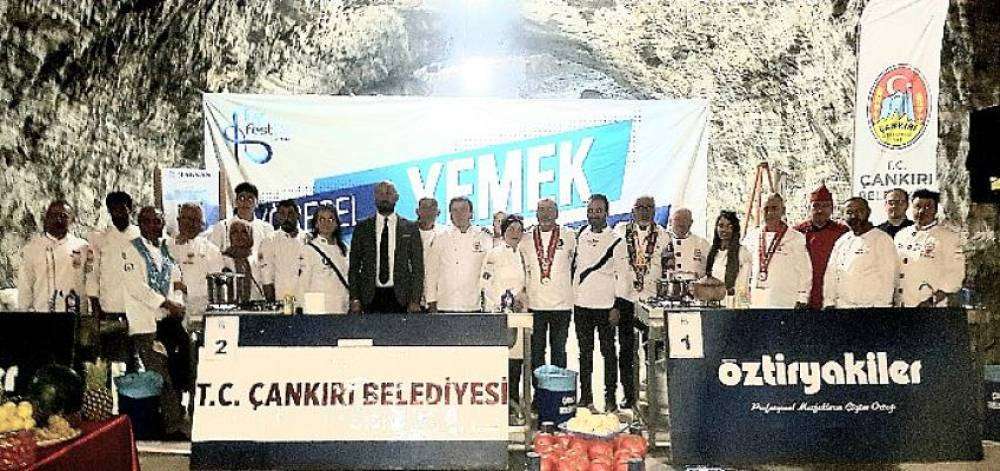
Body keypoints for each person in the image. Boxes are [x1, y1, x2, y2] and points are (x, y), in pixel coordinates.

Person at [120, 207, 188, 440]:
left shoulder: (166, 250)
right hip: (146, 324)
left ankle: (173, 418)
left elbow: (177, 281)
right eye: (148, 222)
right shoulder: (131, 251)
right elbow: (136, 287)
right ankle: (171, 426)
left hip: (168, 323)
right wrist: (166, 303)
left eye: (157, 221)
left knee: (177, 372)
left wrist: (177, 302)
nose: (153, 226)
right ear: (140, 224)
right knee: (160, 375)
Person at [612, 196, 670, 409]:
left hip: (652, 302)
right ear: (633, 210)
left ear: (654, 211)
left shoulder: (664, 236)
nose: (644, 211)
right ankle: (629, 395)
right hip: (625, 299)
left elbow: (668, 269)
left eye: (648, 207)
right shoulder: (619, 232)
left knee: (654, 351)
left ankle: (655, 394)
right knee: (626, 350)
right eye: (640, 207)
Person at [572, 194, 626, 412]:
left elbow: (622, 276)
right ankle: (586, 396)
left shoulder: (617, 241)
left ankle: (610, 398)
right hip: (582, 304)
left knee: (608, 353)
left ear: (606, 213)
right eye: (590, 210)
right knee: (584, 353)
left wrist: (617, 306)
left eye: (598, 210)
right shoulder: (579, 235)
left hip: (606, 306)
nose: (594, 214)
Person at [519, 198, 576, 397]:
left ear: (557, 213)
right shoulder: (526, 238)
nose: (545, 214)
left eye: (550, 210)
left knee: (559, 351)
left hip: (562, 305)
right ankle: (539, 396)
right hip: (535, 305)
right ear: (536, 214)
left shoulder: (570, 236)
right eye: (541, 210)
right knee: (536, 353)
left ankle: (558, 394)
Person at [479, 214, 527, 425]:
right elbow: (485, 285)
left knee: (517, 363)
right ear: (503, 231)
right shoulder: (494, 254)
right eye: (511, 229)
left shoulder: (524, 254)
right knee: (500, 364)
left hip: (520, 317)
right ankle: (499, 408)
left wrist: (521, 299)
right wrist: (505, 301)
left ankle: (514, 403)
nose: (515, 233)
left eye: (519, 229)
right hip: (499, 315)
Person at [348, 181, 423, 313]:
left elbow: (418, 267)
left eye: (388, 193)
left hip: (401, 297)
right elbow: (354, 266)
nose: (384, 197)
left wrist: (415, 299)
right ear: (374, 197)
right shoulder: (362, 228)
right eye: (380, 193)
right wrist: (354, 298)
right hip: (369, 297)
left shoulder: (410, 228)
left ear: (396, 197)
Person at [894, 189, 965, 307]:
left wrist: (932, 300)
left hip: (931, 306)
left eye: (928, 207)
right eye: (918, 206)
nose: (922, 211)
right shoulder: (901, 235)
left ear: (935, 210)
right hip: (902, 304)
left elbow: (955, 274)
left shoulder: (948, 237)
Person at [823, 198, 898, 308]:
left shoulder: (882, 239)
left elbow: (888, 278)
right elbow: (831, 274)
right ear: (843, 215)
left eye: (859, 211)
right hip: (842, 308)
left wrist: (881, 308)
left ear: (868, 212)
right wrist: (829, 302)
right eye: (849, 212)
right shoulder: (842, 241)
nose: (854, 216)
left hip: (870, 309)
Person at [17, 200, 89, 312]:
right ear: (46, 218)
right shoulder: (32, 249)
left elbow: (91, 283)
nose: (58, 219)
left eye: (63, 216)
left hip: (74, 315)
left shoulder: (82, 247)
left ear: (72, 220)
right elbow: (25, 286)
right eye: (54, 215)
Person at [744, 194, 812, 309]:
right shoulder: (752, 237)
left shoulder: (796, 238)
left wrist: (802, 298)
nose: (770, 213)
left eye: (774, 208)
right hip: (757, 302)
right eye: (766, 209)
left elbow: (805, 270)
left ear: (783, 211)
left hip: (786, 301)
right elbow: (743, 268)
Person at [427, 197, 493, 312]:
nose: (459, 214)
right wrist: (431, 300)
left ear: (471, 213)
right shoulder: (440, 237)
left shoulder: (483, 237)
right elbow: (431, 271)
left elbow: (490, 269)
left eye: (463, 209)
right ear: (450, 215)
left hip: (473, 304)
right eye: (455, 210)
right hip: (445, 303)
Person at [86, 191, 142, 320]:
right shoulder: (99, 238)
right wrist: (95, 305)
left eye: (122, 209)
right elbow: (92, 274)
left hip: (139, 308)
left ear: (130, 209)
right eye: (113, 210)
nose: (118, 214)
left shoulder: (142, 236)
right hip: (110, 307)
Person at [794, 184, 849, 310]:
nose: (820, 210)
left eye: (825, 206)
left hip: (833, 294)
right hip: (803, 296)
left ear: (832, 209)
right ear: (809, 208)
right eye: (816, 206)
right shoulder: (797, 233)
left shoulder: (843, 232)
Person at [166, 203, 223, 322]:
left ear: (202, 224)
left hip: (200, 314)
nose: (189, 224)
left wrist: (186, 289)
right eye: (186, 219)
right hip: (168, 315)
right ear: (178, 220)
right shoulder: (165, 247)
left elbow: (216, 286)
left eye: (194, 220)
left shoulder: (211, 250)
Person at [298, 204, 350, 314]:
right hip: (317, 310)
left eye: (330, 219)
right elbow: (302, 284)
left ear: (336, 223)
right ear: (316, 224)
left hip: (342, 308)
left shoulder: (344, 249)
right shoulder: (308, 249)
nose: (326, 223)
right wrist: (300, 309)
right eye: (322, 219)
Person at [207, 182, 274, 257]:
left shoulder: (266, 229)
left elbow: (270, 256)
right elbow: (212, 256)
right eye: (242, 198)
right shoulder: (222, 227)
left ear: (256, 203)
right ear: (236, 202)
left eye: (250, 199)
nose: (245, 202)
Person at [259, 199, 306, 302]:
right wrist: (272, 305)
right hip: (283, 299)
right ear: (277, 217)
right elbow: (267, 278)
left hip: (307, 299)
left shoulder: (308, 239)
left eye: (290, 213)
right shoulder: (270, 240)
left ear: (298, 215)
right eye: (282, 214)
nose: (286, 217)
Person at [704, 211, 752, 304]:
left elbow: (743, 286)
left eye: (729, 226)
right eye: (721, 226)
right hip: (713, 304)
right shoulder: (712, 252)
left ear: (735, 229)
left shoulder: (742, 252)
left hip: (733, 303)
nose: (724, 230)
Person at [221, 219, 263, 301]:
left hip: (255, 305)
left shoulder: (258, 258)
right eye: (234, 232)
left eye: (244, 232)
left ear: (250, 236)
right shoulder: (222, 260)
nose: (239, 235)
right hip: (229, 305)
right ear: (230, 237)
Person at [666, 208, 711, 278]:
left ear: (691, 222)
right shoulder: (663, 241)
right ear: (670, 221)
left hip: (696, 284)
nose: (681, 223)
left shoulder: (701, 243)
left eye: (685, 220)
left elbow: (711, 267)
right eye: (677, 219)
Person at [415, 197, 442, 310]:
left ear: (438, 212)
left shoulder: (445, 235)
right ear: (417, 211)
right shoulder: (407, 232)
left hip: (438, 298)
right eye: (424, 208)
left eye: (432, 208)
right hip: (412, 298)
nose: (428, 212)